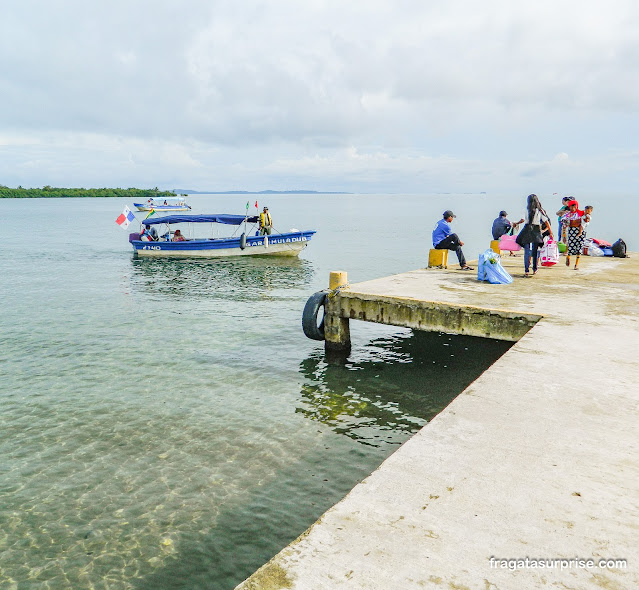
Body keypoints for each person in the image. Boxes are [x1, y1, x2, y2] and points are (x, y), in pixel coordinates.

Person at [517, 194, 552, 277]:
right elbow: (546, 222)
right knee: (535, 251)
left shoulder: (525, 210)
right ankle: (534, 269)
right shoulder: (540, 210)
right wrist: (550, 233)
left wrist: (516, 223)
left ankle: (526, 270)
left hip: (527, 230)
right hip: (536, 230)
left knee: (527, 251)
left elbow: (522, 220)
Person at [561, 200, 585, 269]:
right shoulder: (567, 215)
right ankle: (568, 257)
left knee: (579, 247)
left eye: (574, 206)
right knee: (571, 246)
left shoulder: (581, 213)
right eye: (571, 206)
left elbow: (587, 217)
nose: (573, 207)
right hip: (572, 231)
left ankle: (576, 265)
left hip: (580, 232)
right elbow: (563, 223)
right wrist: (564, 235)